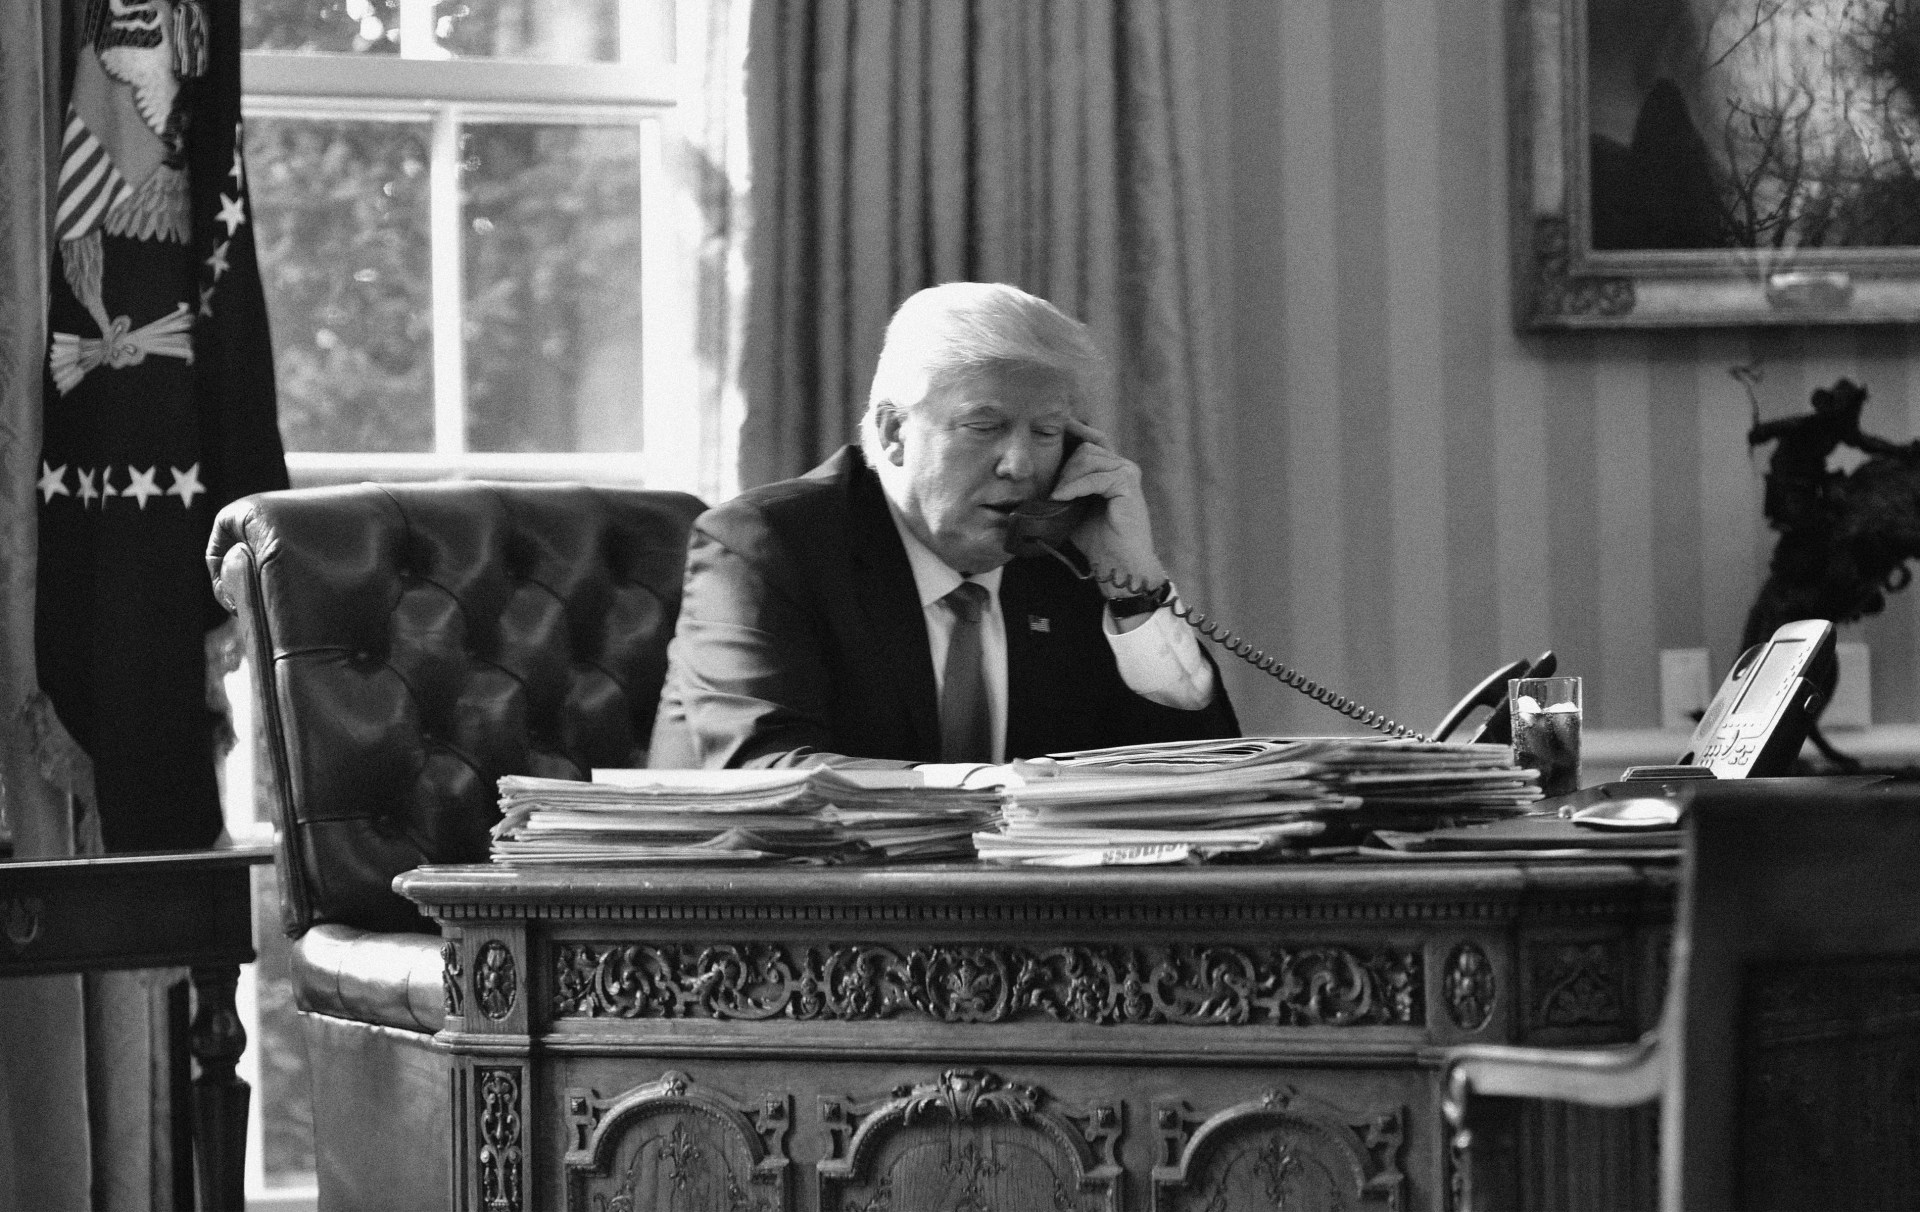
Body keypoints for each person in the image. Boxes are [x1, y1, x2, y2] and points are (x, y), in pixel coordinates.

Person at [650, 281, 1239, 770]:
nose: (1020, 466)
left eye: (1046, 432)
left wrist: (1132, 587)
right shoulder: (765, 546)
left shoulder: (1065, 556)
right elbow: (770, 773)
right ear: (893, 432)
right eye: (984, 427)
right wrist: (997, 793)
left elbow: (1203, 771)